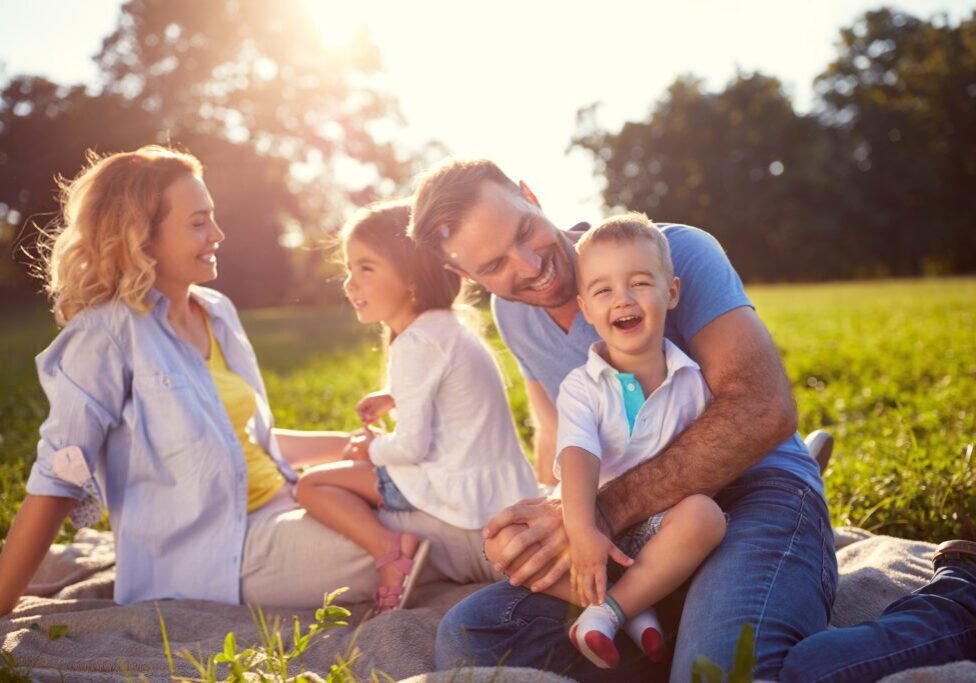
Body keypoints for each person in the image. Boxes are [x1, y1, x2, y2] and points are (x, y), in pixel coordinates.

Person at [411, 158, 976, 682]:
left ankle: (959, 606)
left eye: (523, 232)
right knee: (474, 636)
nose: (529, 266)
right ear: (463, 272)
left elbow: (763, 410)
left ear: (530, 195)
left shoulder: (674, 251)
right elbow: (563, 434)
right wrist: (544, 527)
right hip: (641, 535)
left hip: (756, 491)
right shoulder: (513, 314)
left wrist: (600, 512)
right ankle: (676, 633)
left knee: (723, 676)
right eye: (494, 265)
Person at [0, 147, 500, 617]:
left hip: (285, 503)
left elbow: (240, 443)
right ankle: (529, 556)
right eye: (198, 223)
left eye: (212, 217)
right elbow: (58, 479)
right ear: (141, 237)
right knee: (421, 533)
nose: (217, 234)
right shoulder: (103, 338)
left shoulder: (214, 312)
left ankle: (530, 537)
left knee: (440, 495)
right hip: (222, 553)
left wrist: (354, 448)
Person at [496, 213, 726, 669]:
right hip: (591, 520)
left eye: (640, 283)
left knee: (707, 517)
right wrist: (583, 530)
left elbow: (709, 461)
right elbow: (578, 455)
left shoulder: (692, 380)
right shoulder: (582, 386)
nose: (622, 299)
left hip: (659, 527)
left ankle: (607, 612)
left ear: (671, 292)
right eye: (603, 291)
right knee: (502, 542)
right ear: (586, 308)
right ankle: (638, 607)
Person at [293, 200, 538, 614]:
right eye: (350, 269)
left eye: (366, 268)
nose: (350, 283)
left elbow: (410, 448)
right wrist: (393, 394)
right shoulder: (447, 327)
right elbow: (446, 390)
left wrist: (367, 449)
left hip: (457, 492)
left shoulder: (415, 343)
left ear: (410, 277)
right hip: (500, 486)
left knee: (312, 485)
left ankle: (391, 552)